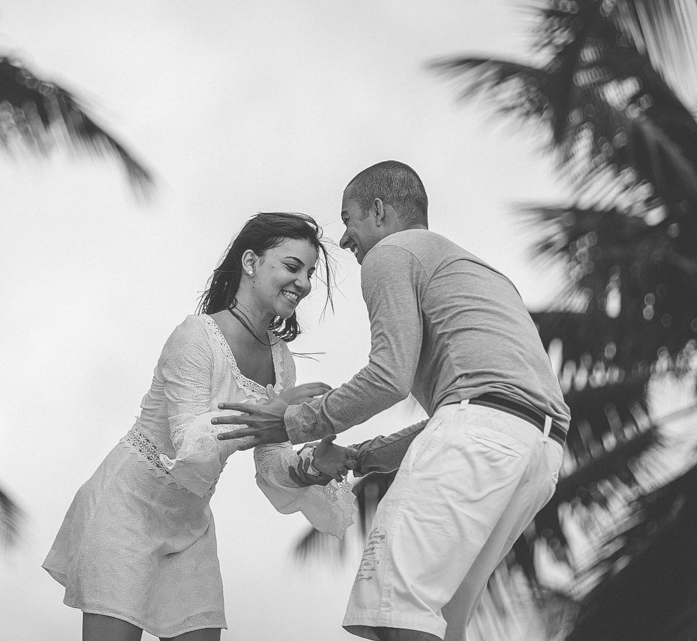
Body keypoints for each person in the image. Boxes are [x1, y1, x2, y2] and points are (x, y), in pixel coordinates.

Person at [213, 161, 570, 641]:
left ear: (378, 211)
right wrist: (365, 456)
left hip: (481, 437)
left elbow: (390, 377)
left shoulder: (392, 252)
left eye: (348, 219)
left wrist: (294, 422)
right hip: (539, 454)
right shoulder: (481, 274)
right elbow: (476, 411)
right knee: (441, 625)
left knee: (391, 613)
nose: (344, 240)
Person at [43, 212, 392, 641]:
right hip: (125, 508)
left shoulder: (282, 361)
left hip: (189, 524)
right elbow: (190, 445)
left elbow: (271, 466)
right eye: (291, 266)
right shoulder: (195, 336)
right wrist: (276, 412)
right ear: (250, 263)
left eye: (309, 273)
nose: (302, 282)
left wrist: (313, 467)